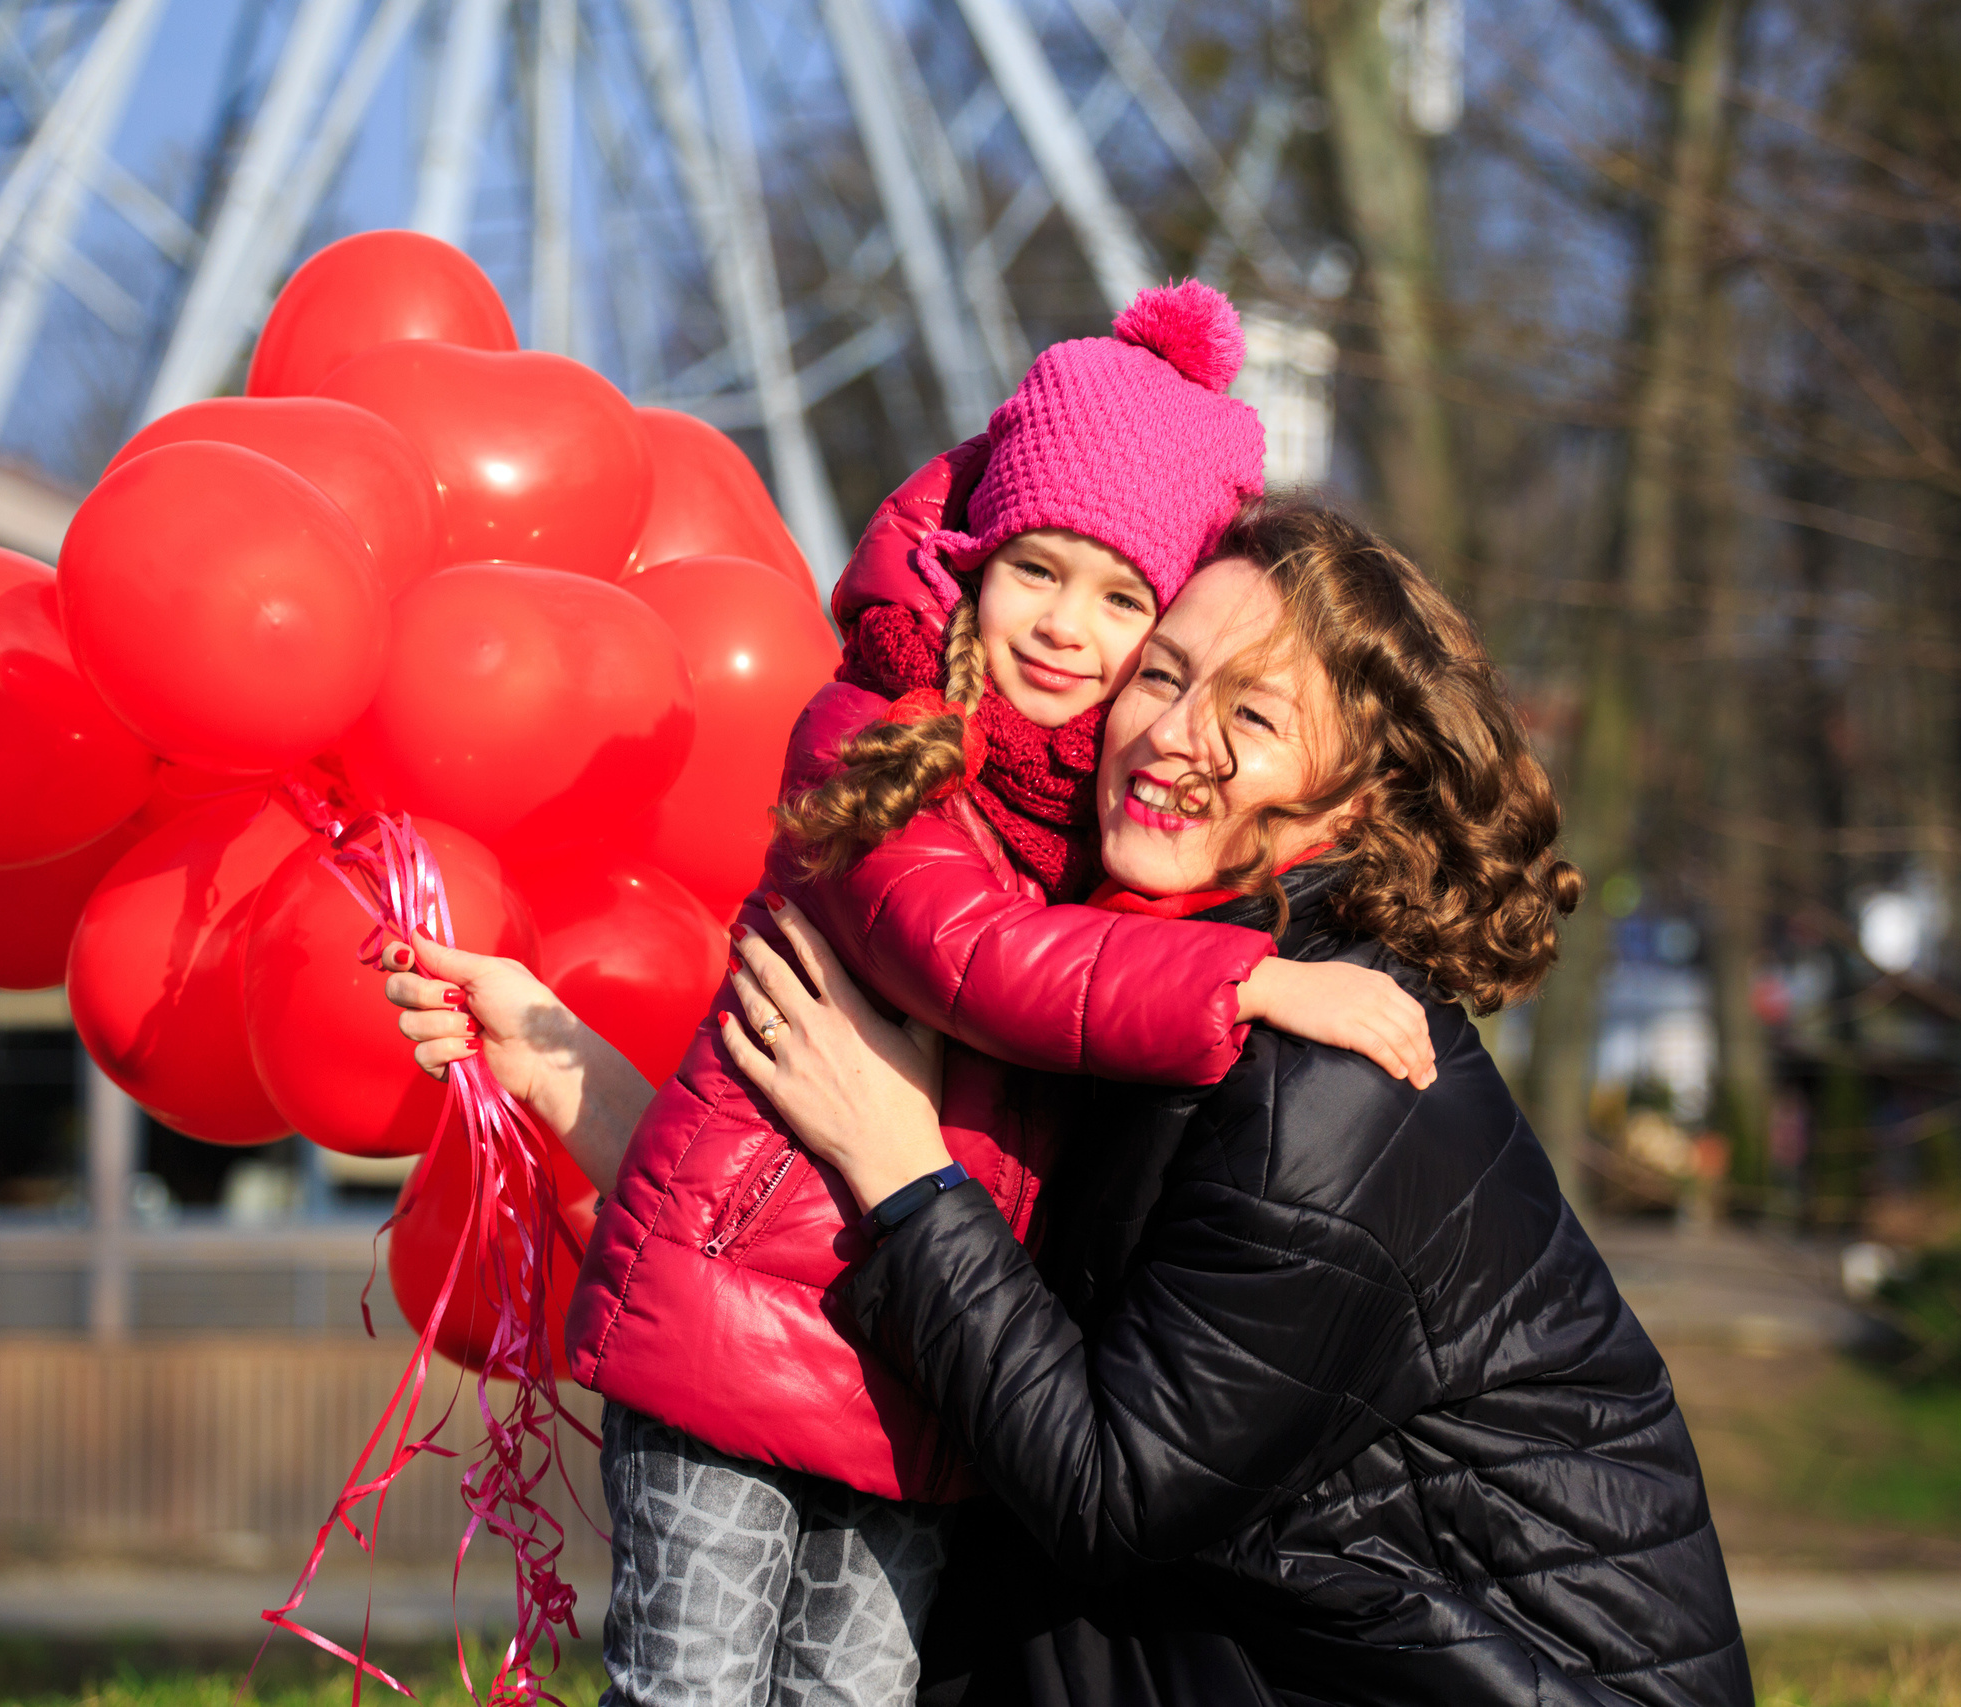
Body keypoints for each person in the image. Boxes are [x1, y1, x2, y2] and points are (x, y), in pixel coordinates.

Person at [387, 286, 1436, 1707]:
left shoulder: (1084, 835)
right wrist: (1250, 981)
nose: (1065, 628)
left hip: (910, 1381)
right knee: (689, 1688)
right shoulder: (881, 743)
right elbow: (973, 961)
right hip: (734, 1336)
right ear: (969, 559)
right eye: (1035, 570)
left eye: (1122, 600)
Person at [710, 500, 1753, 1706]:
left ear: (1360, 800)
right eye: (1160, 676)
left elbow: (1110, 1493)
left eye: (1252, 716)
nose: (1171, 736)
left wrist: (905, 1176)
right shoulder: (1108, 979)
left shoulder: (1329, 1085)